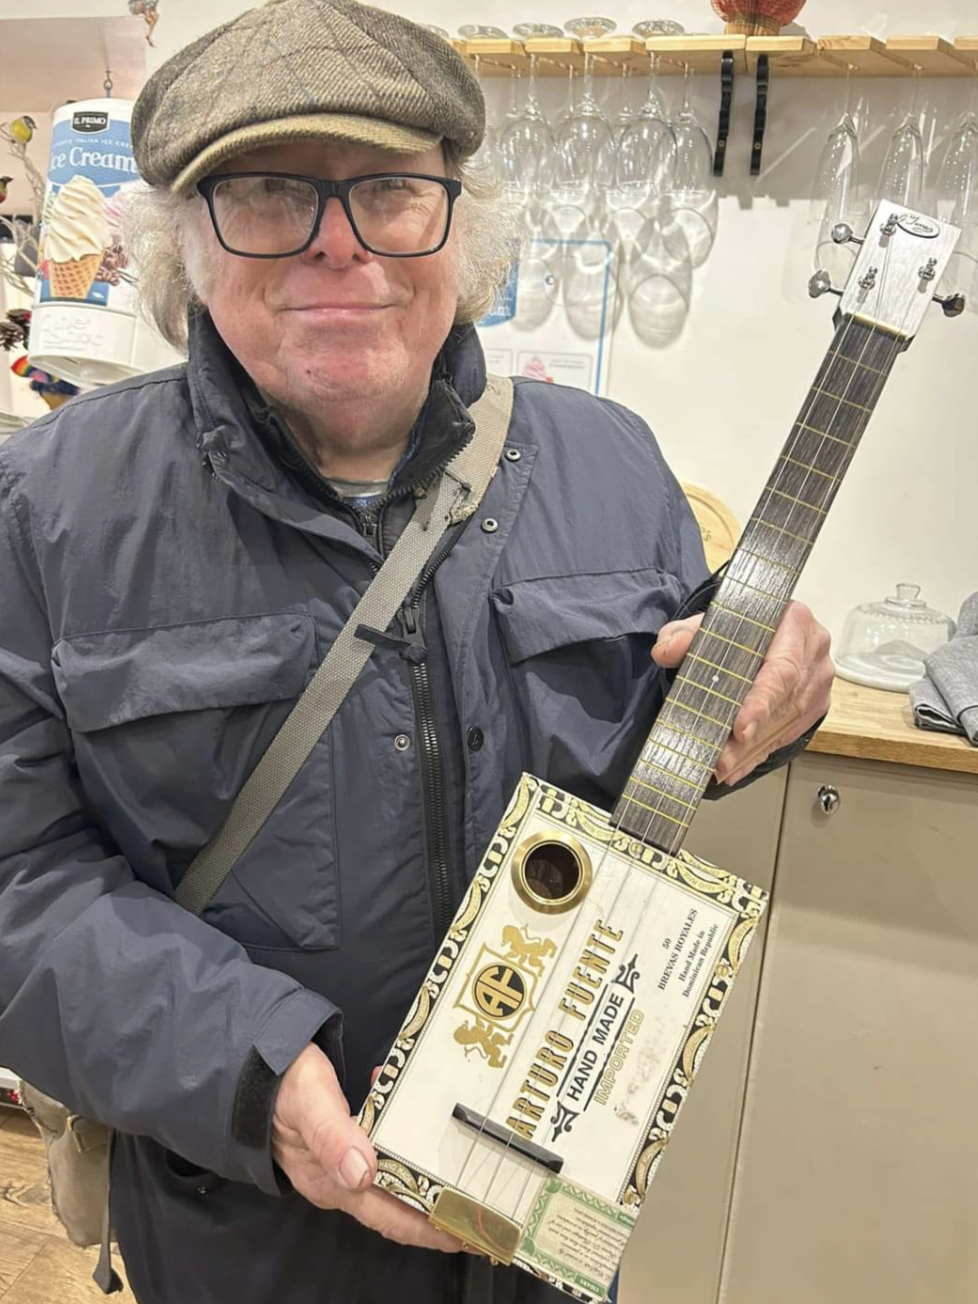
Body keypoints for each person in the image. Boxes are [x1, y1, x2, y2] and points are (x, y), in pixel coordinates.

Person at [0, 2, 833, 1302]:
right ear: (186, 248)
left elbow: (647, 766)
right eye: (271, 195)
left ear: (458, 222)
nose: (340, 247)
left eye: (389, 191)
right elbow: (17, 877)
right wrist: (257, 1072)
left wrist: (759, 681)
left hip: (543, 1217)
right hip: (242, 1228)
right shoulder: (45, 508)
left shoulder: (612, 463)